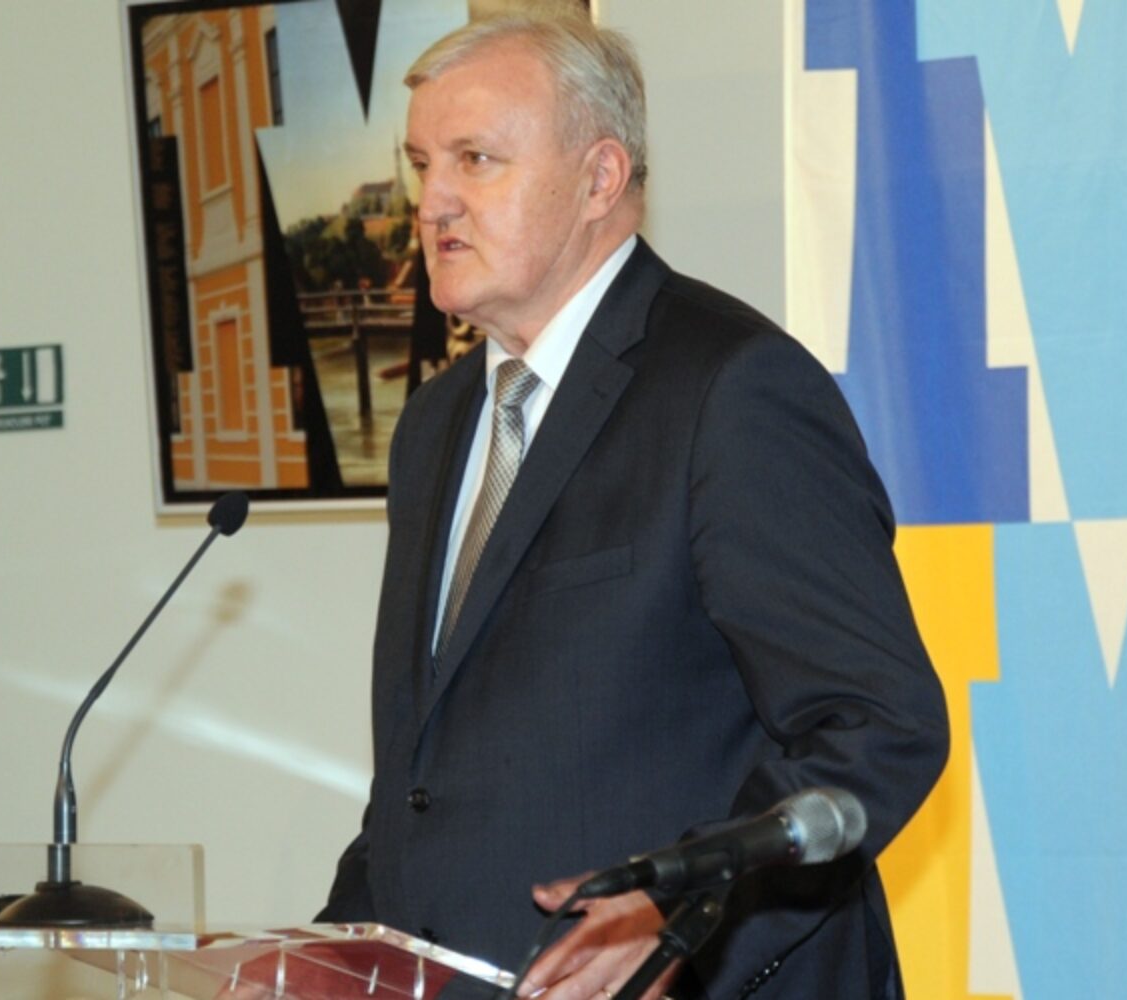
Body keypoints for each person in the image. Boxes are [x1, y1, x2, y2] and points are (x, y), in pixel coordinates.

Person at [318, 6, 949, 999]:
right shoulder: (435, 424)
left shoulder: (729, 389)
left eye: (476, 160)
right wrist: (327, 956)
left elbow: (876, 724)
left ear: (600, 179)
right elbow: (423, 780)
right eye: (422, 164)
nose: (432, 201)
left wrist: (682, 921)